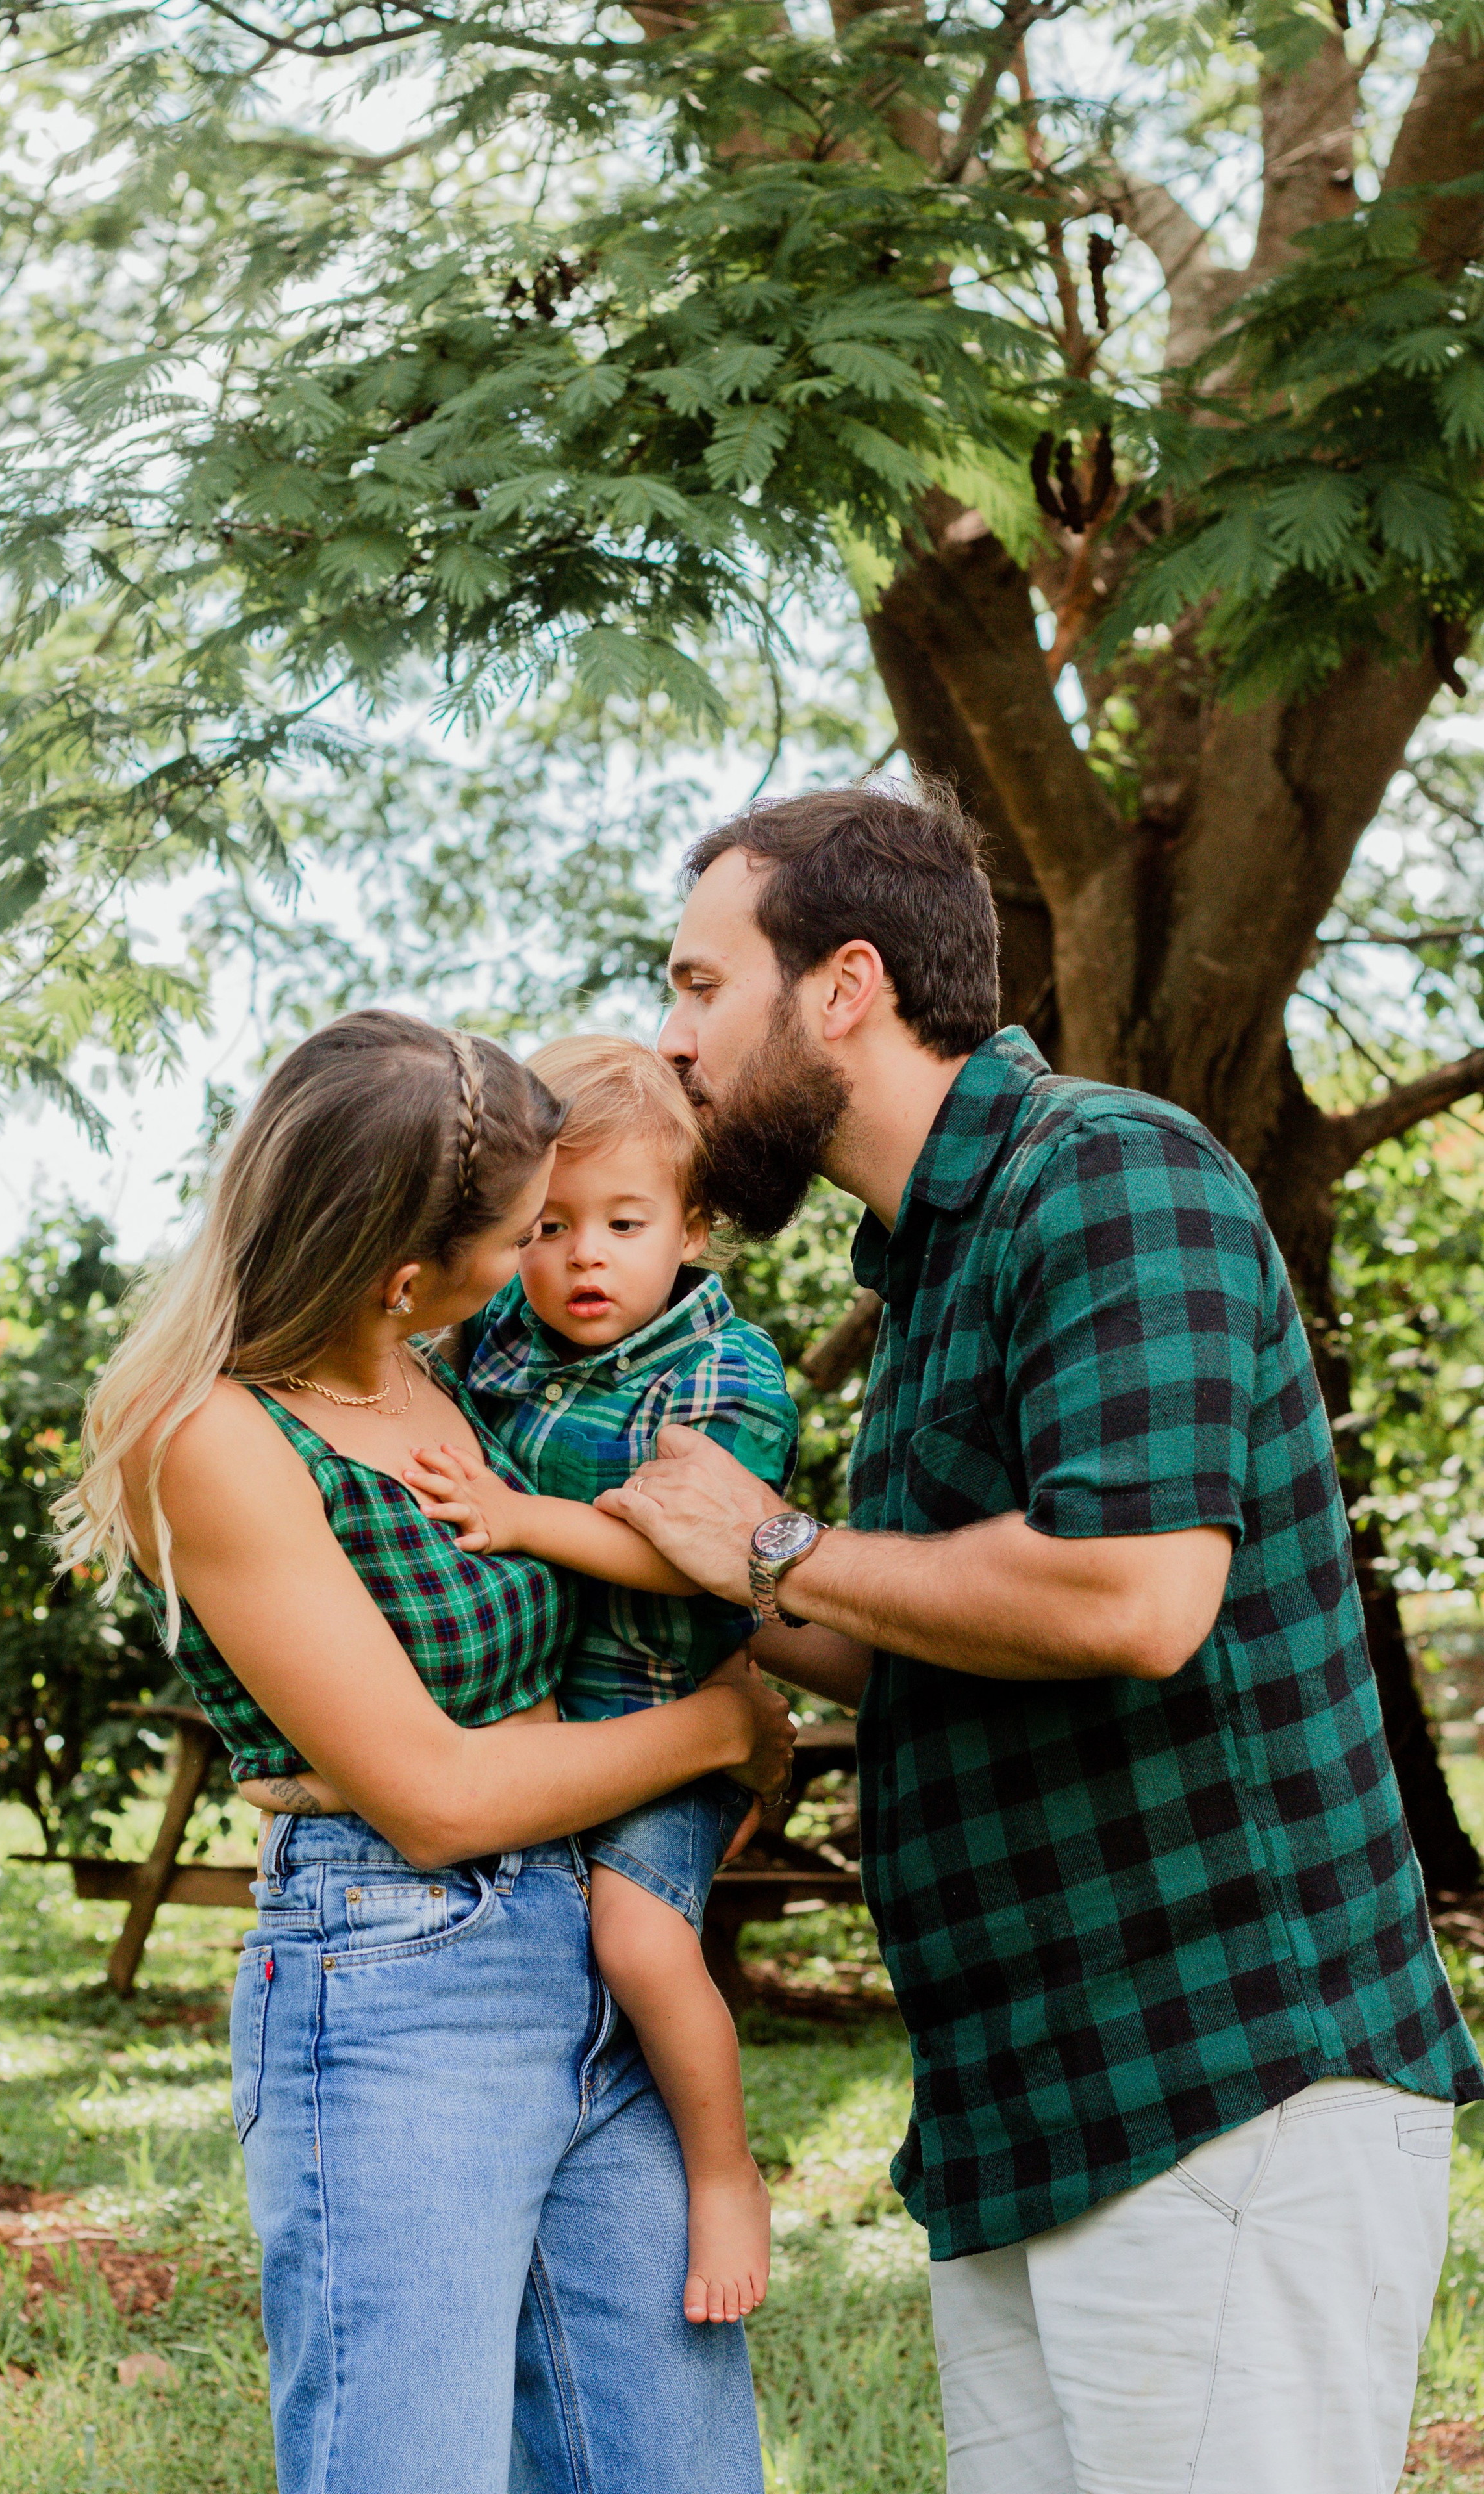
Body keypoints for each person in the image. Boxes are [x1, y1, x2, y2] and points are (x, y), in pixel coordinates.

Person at [592, 778, 1484, 2494]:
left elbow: (1133, 1594)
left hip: (1219, 2085)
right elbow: (917, 1630)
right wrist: (695, 1568)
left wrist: (776, 1539)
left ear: (842, 986)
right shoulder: (930, 1270)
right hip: (1028, 2112)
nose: (676, 1042)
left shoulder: (1109, 1175)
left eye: (700, 986)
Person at [52, 1008, 794, 2494]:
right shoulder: (218, 1440)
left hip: (582, 1953)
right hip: (396, 1981)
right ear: (407, 1269)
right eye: (521, 1230)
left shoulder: (448, 1373)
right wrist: (715, 1727)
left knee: (672, 2464)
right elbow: (437, 1797)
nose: (547, 1259)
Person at [401, 1033, 799, 2325]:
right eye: (548, 1225)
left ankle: (724, 2170)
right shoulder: (507, 1333)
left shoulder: (719, 1373)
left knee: (636, 1938)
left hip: (660, 1710)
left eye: (622, 1222)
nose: (582, 1257)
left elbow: (698, 1560)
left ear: (689, 1226)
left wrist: (516, 1517)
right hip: (553, 1711)